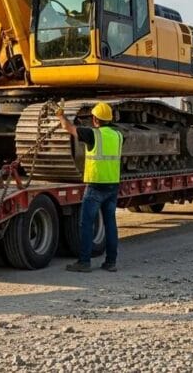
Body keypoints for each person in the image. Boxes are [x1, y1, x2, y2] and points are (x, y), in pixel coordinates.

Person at [55, 101, 123, 273]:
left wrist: (60, 115)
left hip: (95, 186)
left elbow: (68, 128)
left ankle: (84, 262)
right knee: (110, 224)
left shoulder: (93, 135)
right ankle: (111, 262)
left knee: (86, 224)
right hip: (112, 185)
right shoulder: (118, 136)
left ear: (95, 119)